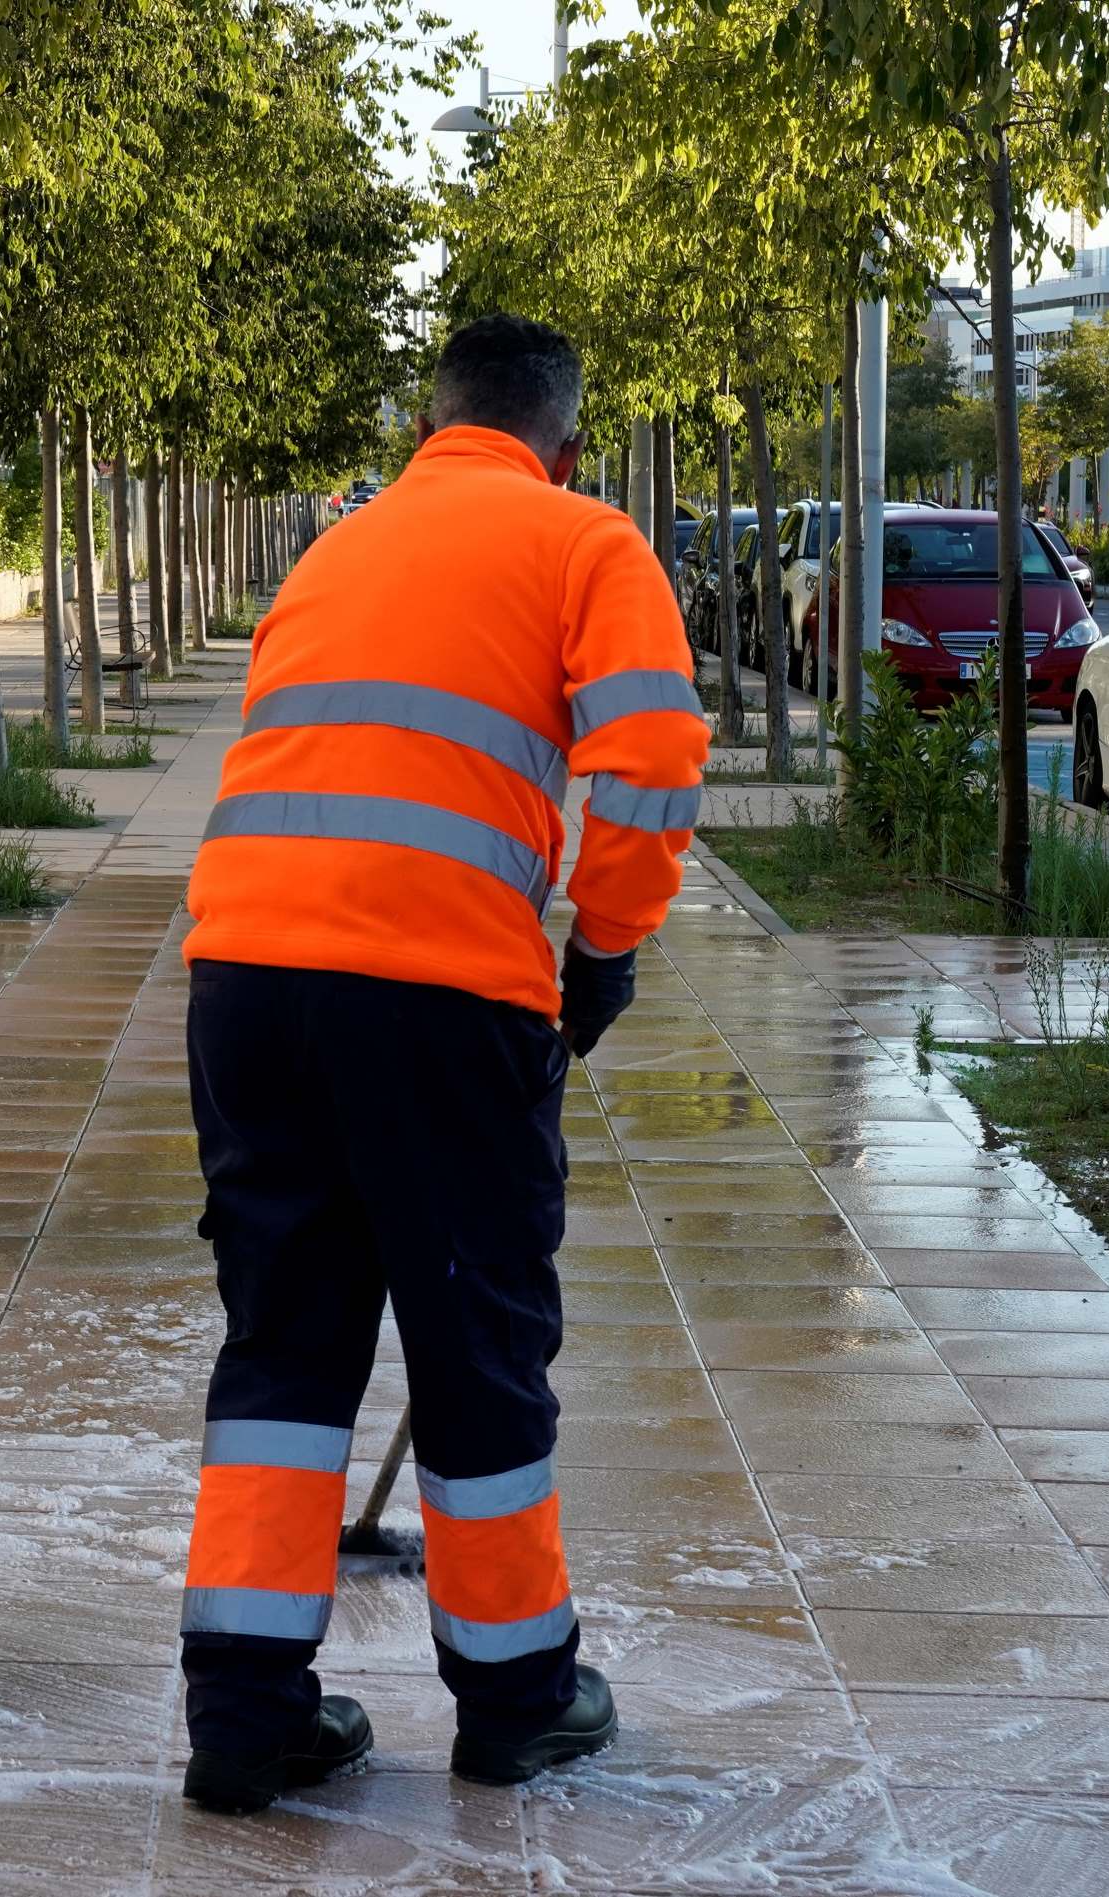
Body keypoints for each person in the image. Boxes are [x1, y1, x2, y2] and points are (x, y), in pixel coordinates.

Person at [172, 317, 708, 1810]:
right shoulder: (584, 540)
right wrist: (604, 948)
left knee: (284, 1345)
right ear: (568, 442)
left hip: (244, 982)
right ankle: (520, 1696)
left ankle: (246, 1712)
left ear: (432, 420)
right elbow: (656, 753)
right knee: (475, 1340)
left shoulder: (337, 548)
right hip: (434, 1002)